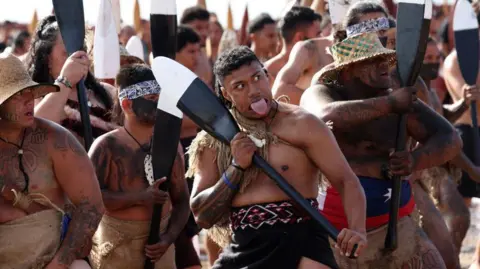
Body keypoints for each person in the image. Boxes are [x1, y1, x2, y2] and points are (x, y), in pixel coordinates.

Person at [188, 46, 367, 269]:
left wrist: (358, 229)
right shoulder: (213, 141)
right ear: (226, 94)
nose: (253, 90)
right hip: (245, 246)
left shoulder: (304, 123)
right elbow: (201, 215)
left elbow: (346, 180)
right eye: (240, 86)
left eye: (257, 78)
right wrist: (236, 168)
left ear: (267, 75)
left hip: (303, 241)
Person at [300, 32, 463, 268]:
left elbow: (450, 139)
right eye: (373, 61)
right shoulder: (321, 94)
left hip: (397, 225)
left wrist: (414, 160)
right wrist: (389, 105)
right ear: (348, 71)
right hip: (336, 232)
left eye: (384, 59)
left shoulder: (400, 100)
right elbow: (323, 116)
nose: (384, 65)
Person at [0, 52, 104, 268]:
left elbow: (91, 206)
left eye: (29, 91)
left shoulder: (56, 140)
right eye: (18, 94)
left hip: (56, 258)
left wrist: (59, 264)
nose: (29, 99)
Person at [88, 64, 190, 269]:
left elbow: (182, 203)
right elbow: (89, 201)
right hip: (117, 248)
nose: (159, 105)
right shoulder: (106, 147)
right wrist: (140, 198)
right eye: (152, 99)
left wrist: (167, 239)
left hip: (159, 250)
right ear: (127, 105)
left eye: (161, 98)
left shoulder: (169, 146)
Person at [27, 15, 118, 145]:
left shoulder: (108, 92)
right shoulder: (33, 97)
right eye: (68, 53)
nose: (78, 58)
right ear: (47, 58)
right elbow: (34, 132)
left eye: (83, 51)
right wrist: (65, 81)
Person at [264, 6, 322, 83]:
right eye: (318, 34)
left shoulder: (319, 61)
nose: (322, 38)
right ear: (299, 37)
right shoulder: (267, 73)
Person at [181, 6, 213, 87]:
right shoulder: (171, 57)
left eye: (207, 27)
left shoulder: (204, 54)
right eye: (198, 28)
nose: (204, 33)